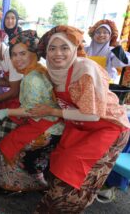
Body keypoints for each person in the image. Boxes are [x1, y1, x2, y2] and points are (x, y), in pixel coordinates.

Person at [29, 25, 130, 213]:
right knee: (59, 162)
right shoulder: (52, 71)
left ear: (75, 49)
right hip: (80, 125)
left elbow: (92, 114)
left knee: (75, 177)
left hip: (108, 128)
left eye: (64, 47)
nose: (57, 53)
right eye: (52, 48)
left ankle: (61, 207)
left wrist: (52, 111)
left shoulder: (84, 70)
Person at [0, 30, 64, 195]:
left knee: (7, 145)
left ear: (34, 53)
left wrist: (6, 111)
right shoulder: (38, 69)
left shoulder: (31, 79)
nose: (17, 59)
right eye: (14, 55)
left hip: (46, 128)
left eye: (23, 53)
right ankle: (37, 178)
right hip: (55, 124)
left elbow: (31, 110)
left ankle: (15, 185)